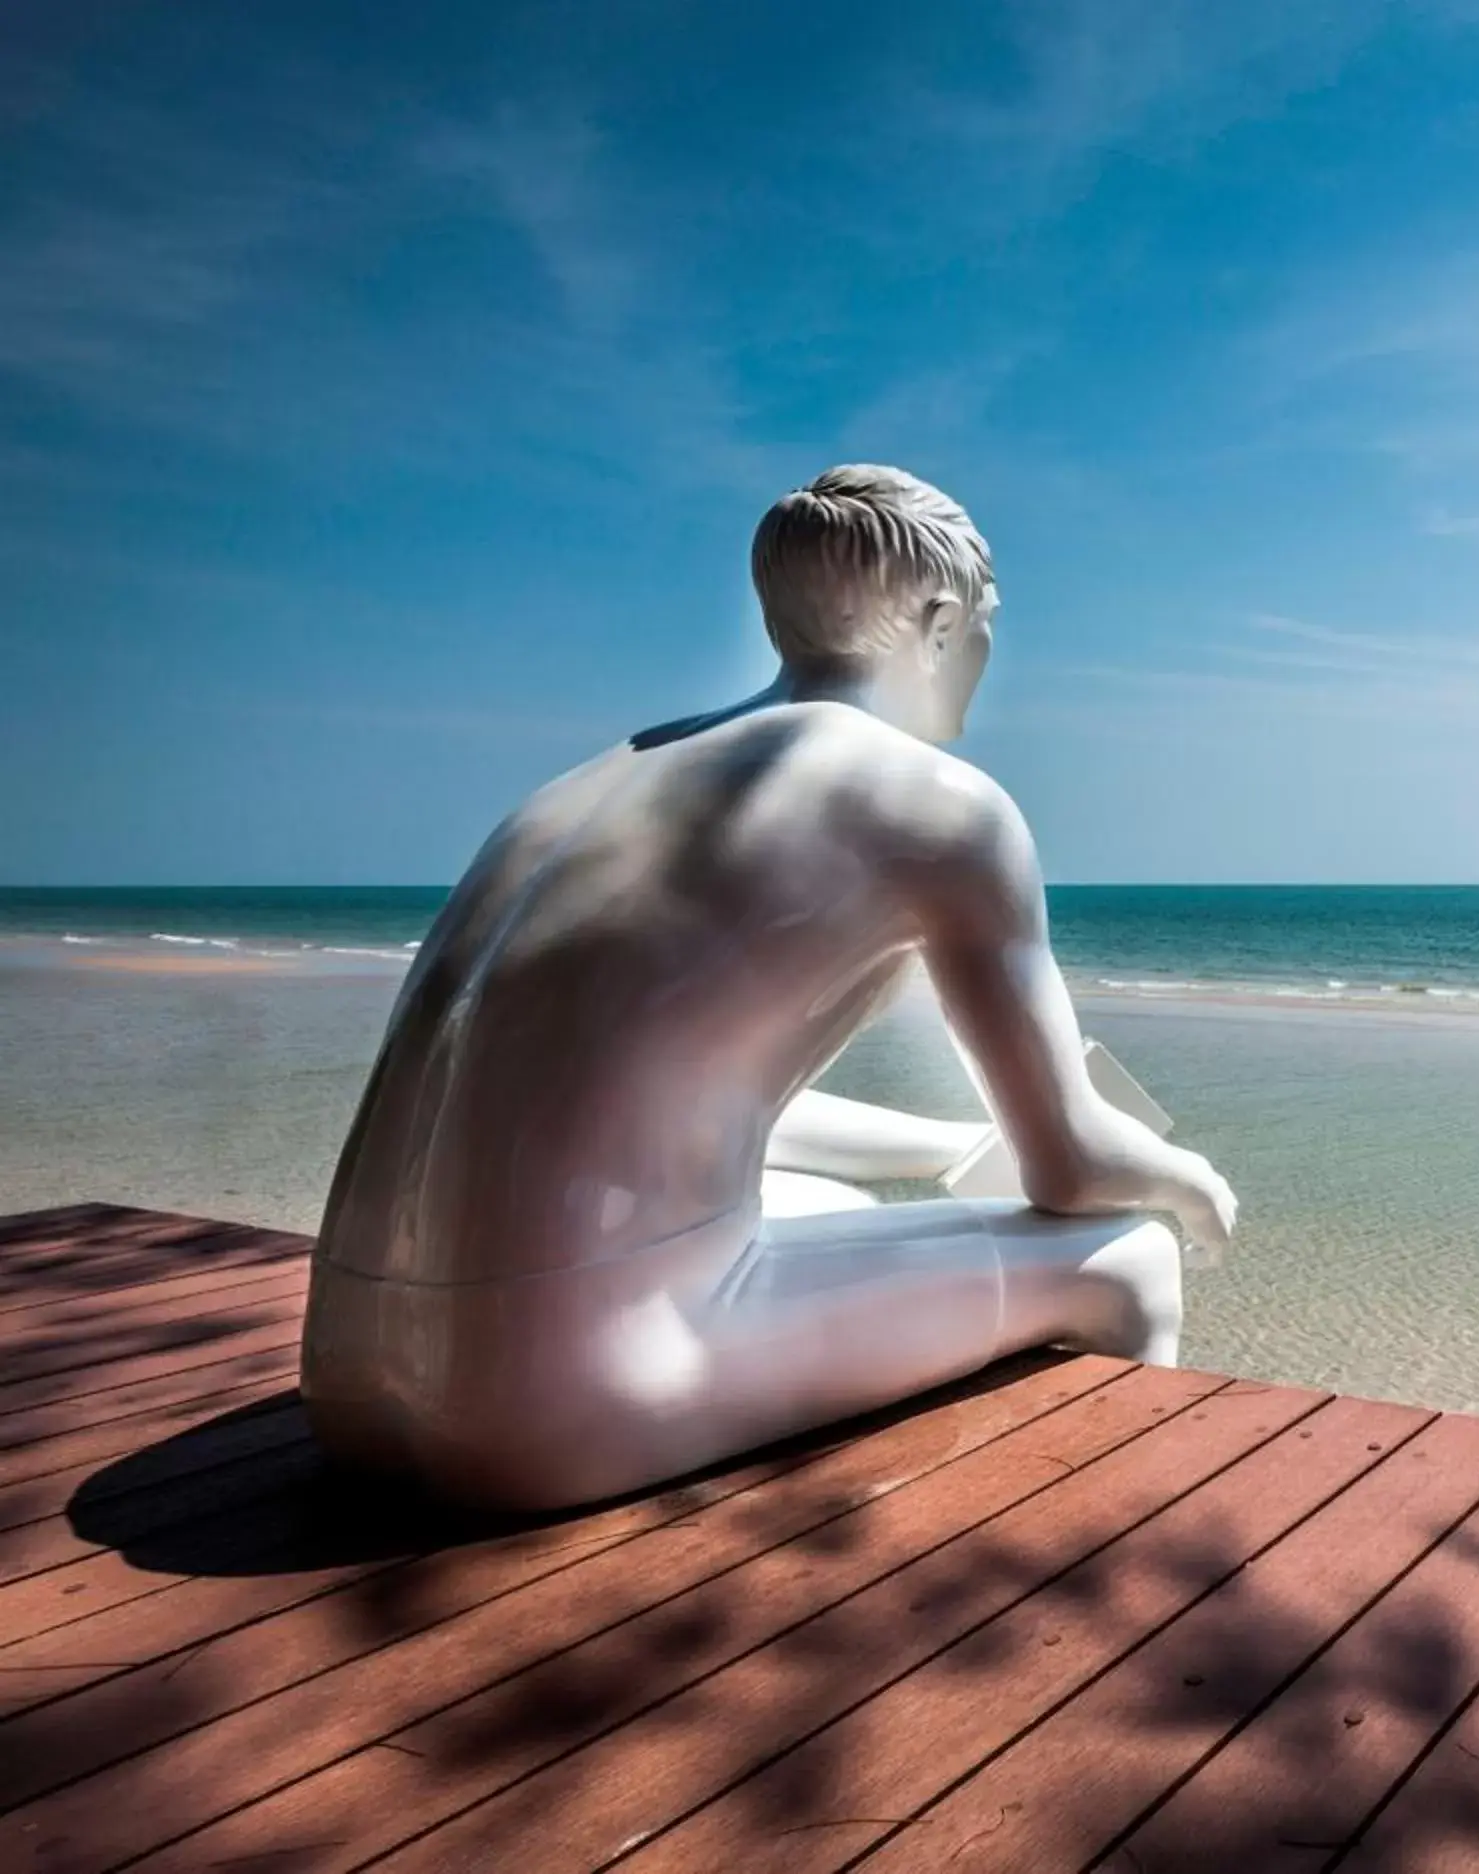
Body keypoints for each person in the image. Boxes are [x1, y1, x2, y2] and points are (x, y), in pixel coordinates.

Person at [299, 465, 1237, 1511]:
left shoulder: (596, 782)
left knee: (824, 1203)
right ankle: (1111, 1550)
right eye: (984, 623)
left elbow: (671, 1098)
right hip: (551, 1409)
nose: (984, 654)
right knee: (1129, 1254)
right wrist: (1188, 1175)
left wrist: (942, 1150)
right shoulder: (944, 809)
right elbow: (1074, 1168)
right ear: (936, 619)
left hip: (348, 1371)